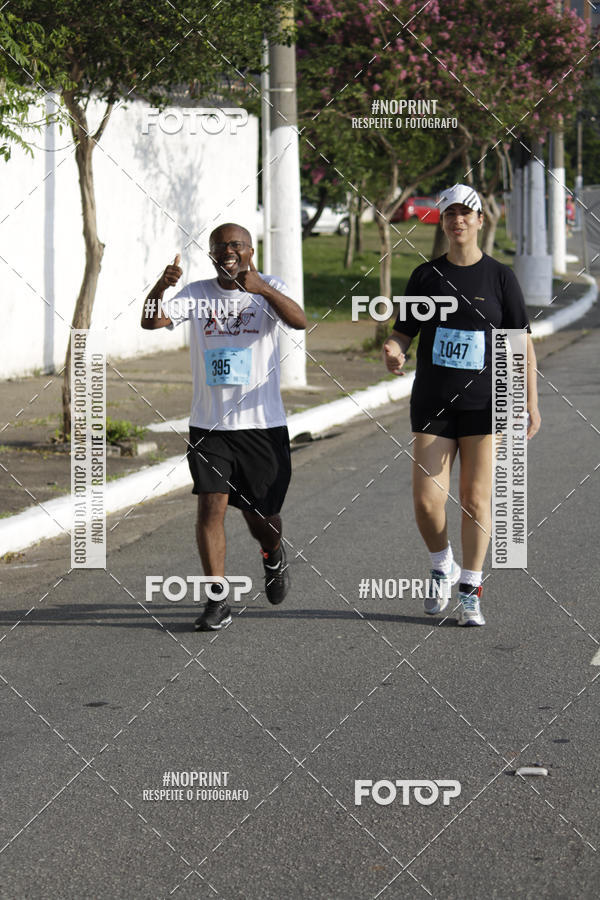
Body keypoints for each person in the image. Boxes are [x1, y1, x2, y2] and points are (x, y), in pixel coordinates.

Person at [383, 184, 541, 626]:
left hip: (485, 402)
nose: (457, 221)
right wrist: (393, 349)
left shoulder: (500, 278)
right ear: (444, 220)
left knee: (474, 498)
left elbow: (520, 343)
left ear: (479, 220)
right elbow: (403, 332)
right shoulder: (425, 277)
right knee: (427, 499)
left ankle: (470, 588)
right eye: (450, 214)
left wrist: (530, 399)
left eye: (465, 214)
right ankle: (441, 564)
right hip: (434, 401)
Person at [141, 223, 307, 631]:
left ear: (250, 250)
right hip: (210, 427)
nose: (227, 252)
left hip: (262, 427)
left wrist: (262, 290)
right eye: (220, 247)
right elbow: (150, 322)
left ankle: (273, 554)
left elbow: (300, 322)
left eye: (236, 245)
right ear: (212, 255)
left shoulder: (270, 287)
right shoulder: (197, 294)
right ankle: (217, 600)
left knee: (261, 518)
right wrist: (159, 288)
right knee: (210, 507)